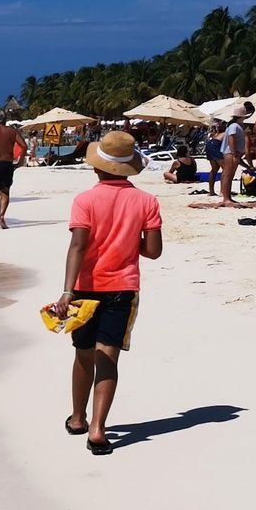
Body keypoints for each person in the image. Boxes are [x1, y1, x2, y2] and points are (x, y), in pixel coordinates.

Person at [51, 131, 162, 457]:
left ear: (97, 167)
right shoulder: (147, 201)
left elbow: (78, 246)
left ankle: (78, 418)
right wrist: (129, 242)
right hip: (123, 288)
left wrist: (67, 291)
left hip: (85, 289)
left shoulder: (85, 200)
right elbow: (153, 251)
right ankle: (99, 430)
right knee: (107, 358)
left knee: (83, 353)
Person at [216, 107, 248, 206]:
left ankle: (228, 197)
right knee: (228, 175)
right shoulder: (234, 126)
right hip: (231, 153)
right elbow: (231, 139)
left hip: (232, 152)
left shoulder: (235, 125)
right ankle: (226, 198)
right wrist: (234, 152)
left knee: (229, 175)